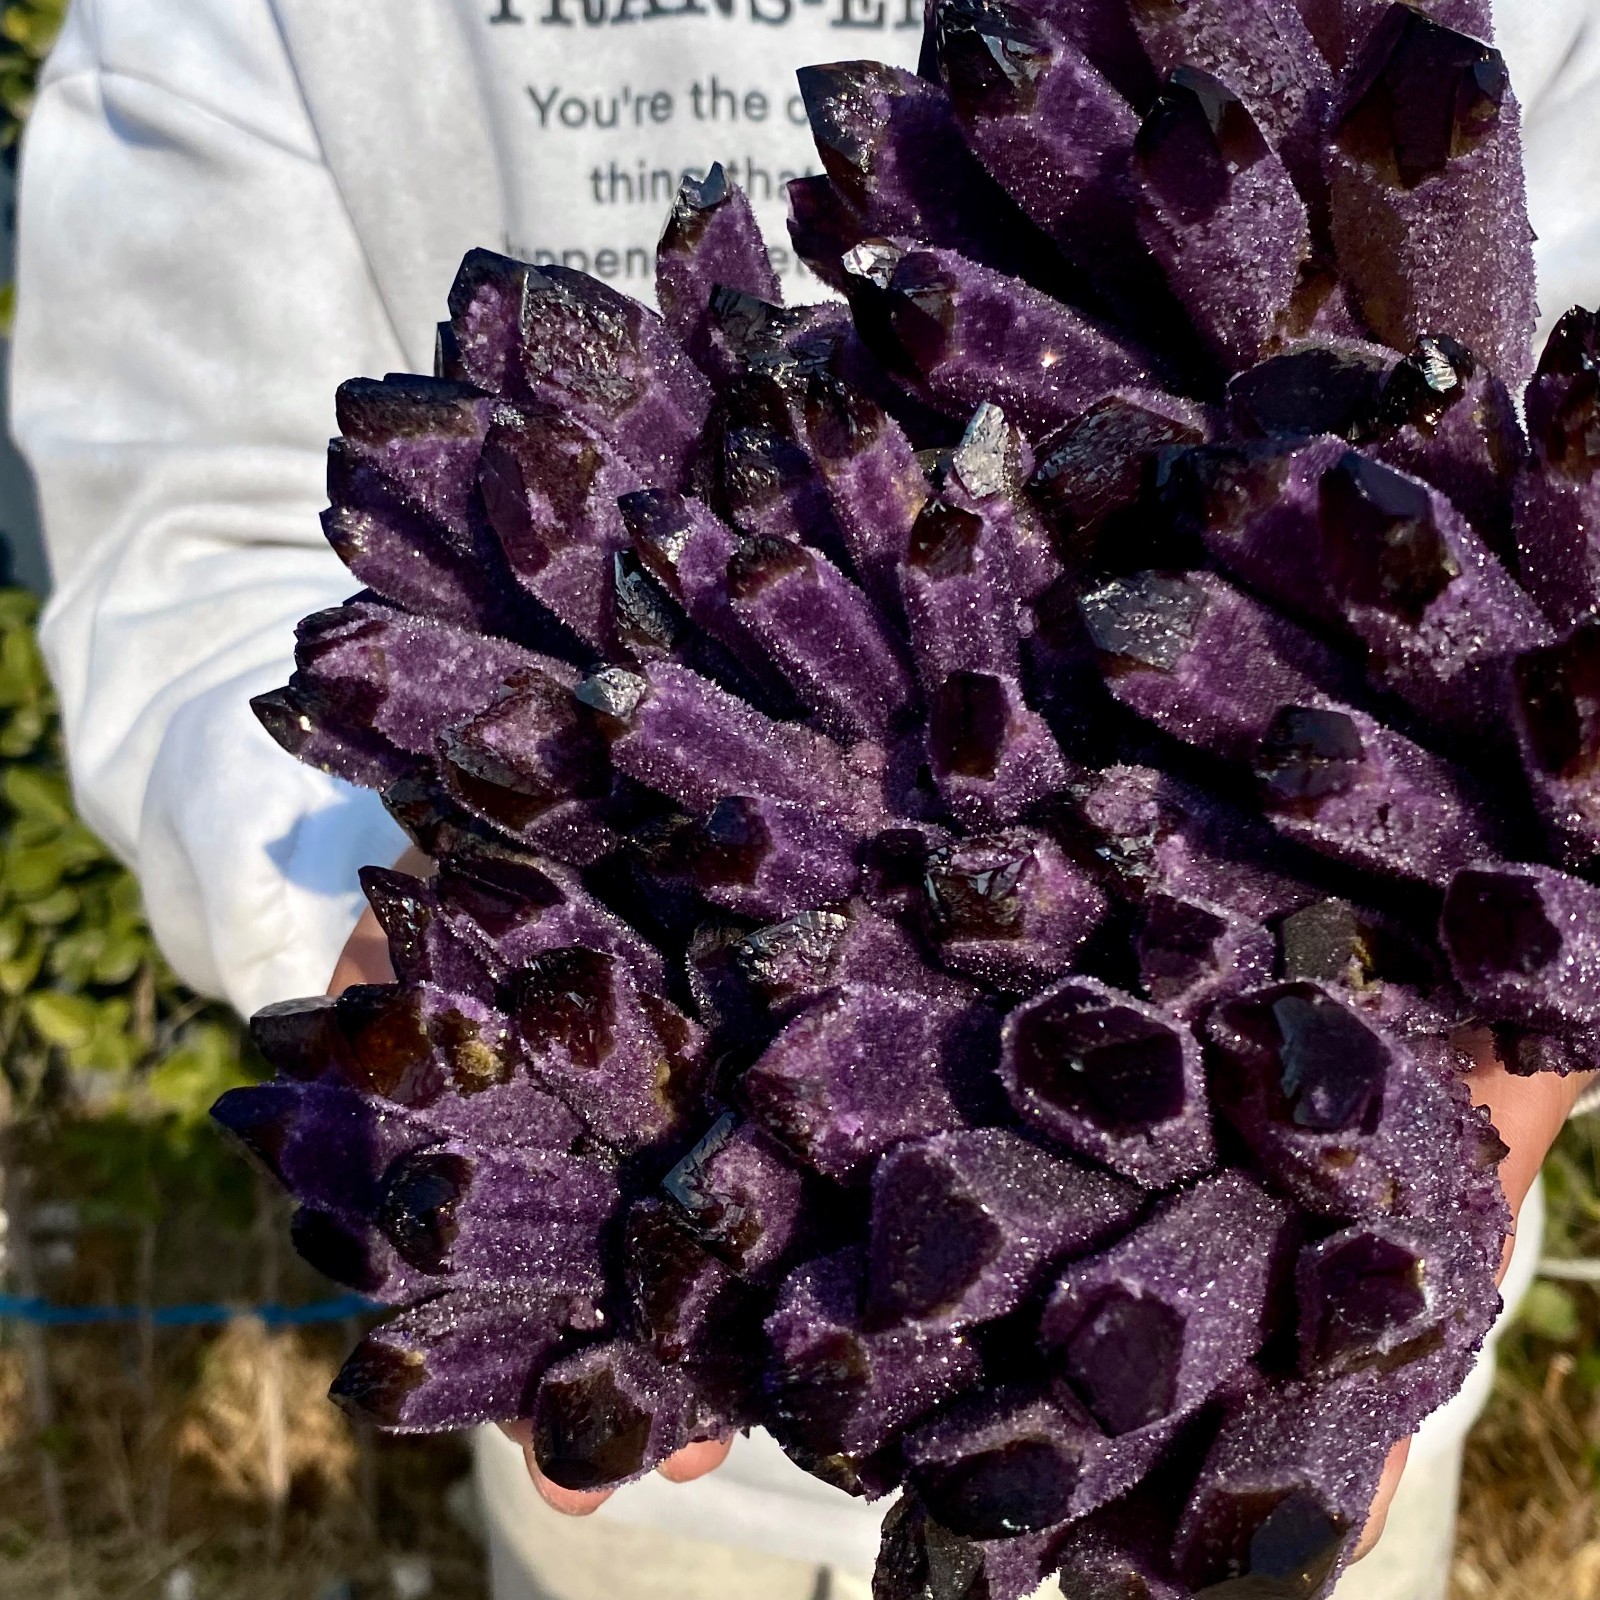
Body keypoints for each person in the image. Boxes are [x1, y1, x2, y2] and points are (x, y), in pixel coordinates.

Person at [12, 2, 1600, 1596]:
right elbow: (180, 534)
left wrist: (1509, 1055)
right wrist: (373, 903)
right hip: (679, 1465)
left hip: (1243, 1375)